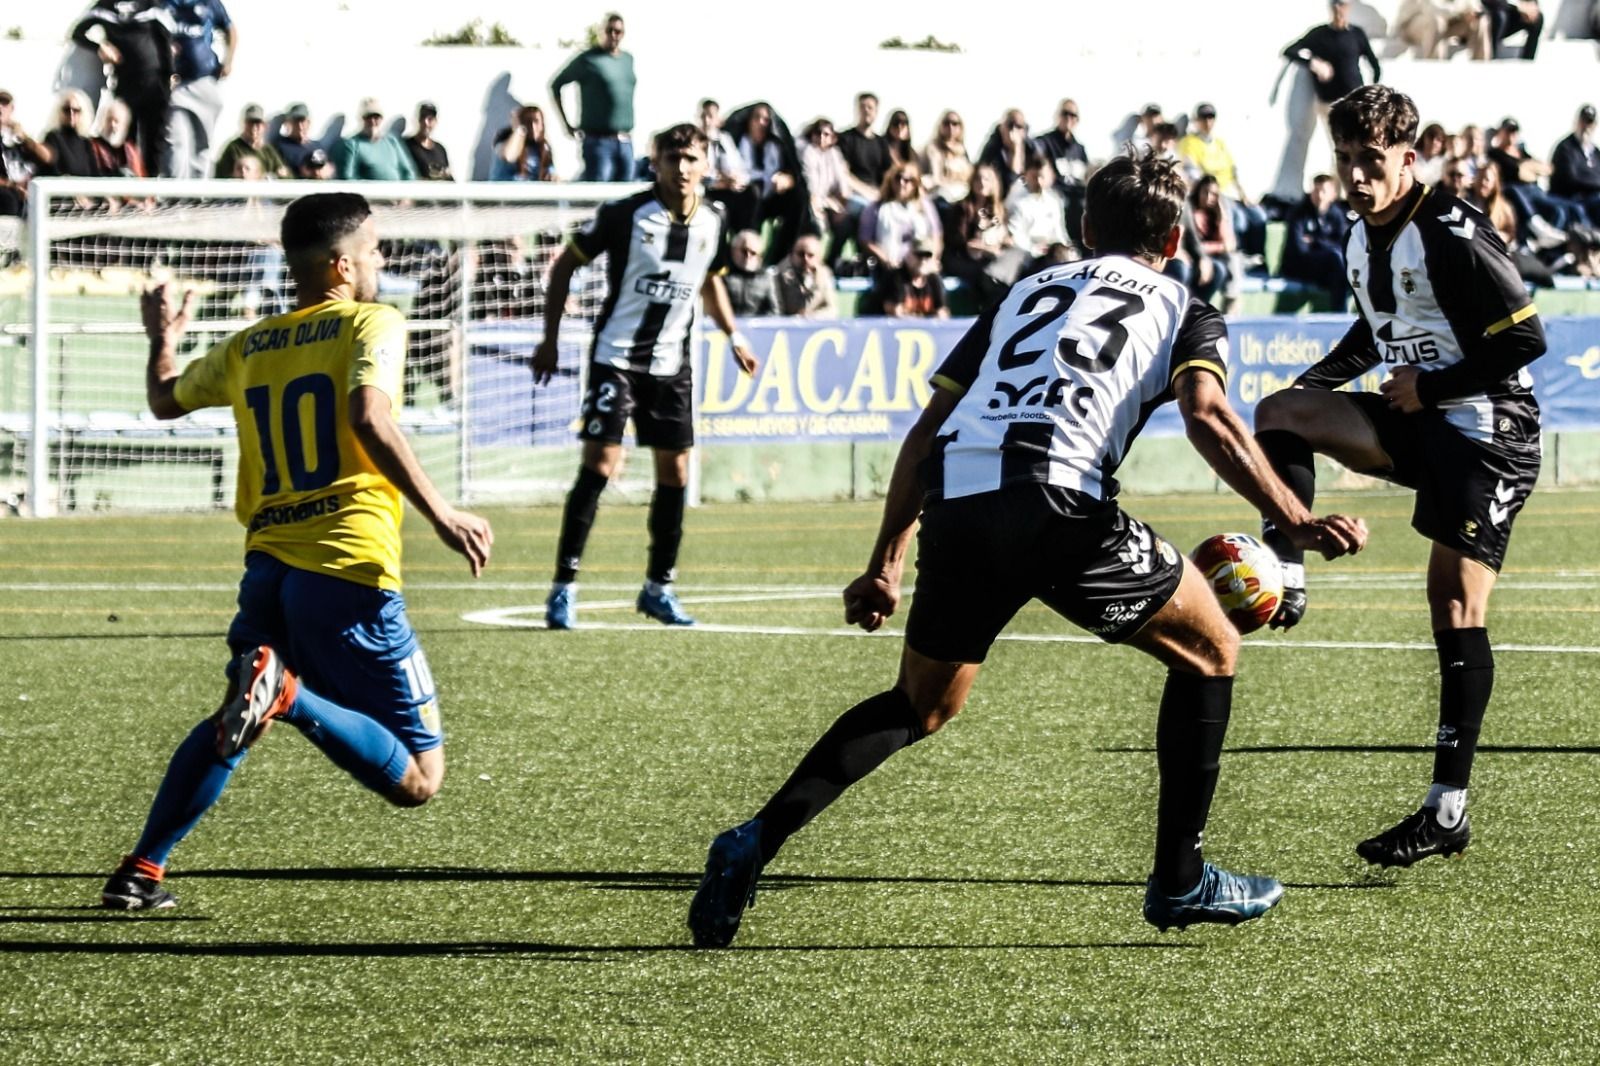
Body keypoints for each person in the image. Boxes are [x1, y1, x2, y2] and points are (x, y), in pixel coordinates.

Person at [686, 148, 1368, 949]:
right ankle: (1181, 881)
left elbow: (928, 431)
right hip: (1060, 504)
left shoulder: (1023, 293)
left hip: (962, 502)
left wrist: (887, 560)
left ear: (1084, 229)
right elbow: (1209, 416)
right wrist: (1292, 517)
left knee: (921, 705)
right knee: (1214, 648)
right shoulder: (1183, 303)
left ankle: (752, 841)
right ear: (1176, 239)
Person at [99, 192, 494, 910]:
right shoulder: (373, 321)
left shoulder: (250, 345)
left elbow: (163, 400)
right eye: (374, 250)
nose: (380, 262)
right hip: (346, 570)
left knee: (233, 716)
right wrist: (442, 513)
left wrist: (163, 334)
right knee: (419, 779)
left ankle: (144, 867)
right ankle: (289, 693)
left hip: (269, 572)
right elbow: (368, 417)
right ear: (341, 266)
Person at [1252, 85, 1545, 869]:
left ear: (1409, 159)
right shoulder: (1359, 236)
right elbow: (1371, 331)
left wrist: (1433, 389)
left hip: (1489, 436)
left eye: (1370, 162)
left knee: (1451, 604)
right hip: (1421, 421)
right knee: (1282, 411)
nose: (1355, 176)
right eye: (1344, 160)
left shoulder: (1452, 231)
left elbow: (1526, 341)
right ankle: (1287, 562)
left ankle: (1447, 809)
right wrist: (1318, 383)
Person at [531, 124, 759, 630]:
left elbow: (710, 284)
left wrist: (734, 336)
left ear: (706, 165)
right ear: (654, 162)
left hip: (672, 365)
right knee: (602, 463)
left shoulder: (714, 221)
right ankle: (563, 587)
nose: (682, 167)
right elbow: (564, 266)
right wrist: (549, 339)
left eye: (691, 158)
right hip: (617, 357)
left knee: (676, 475)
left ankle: (659, 588)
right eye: (672, 157)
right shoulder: (625, 214)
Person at [1273, 0, 1381, 202]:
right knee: (1340, 147)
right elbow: (1290, 50)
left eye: (1343, 5)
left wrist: (1372, 95)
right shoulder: (1320, 34)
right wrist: (1313, 63)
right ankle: (1339, 195)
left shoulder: (1356, 34)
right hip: (1330, 104)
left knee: (1357, 146)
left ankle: (1348, 192)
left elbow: (1374, 64)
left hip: (1355, 105)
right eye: (1335, 5)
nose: (1339, 9)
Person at [72, 0, 175, 178]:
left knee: (155, 139)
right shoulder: (105, 5)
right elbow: (77, 33)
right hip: (126, 83)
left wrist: (170, 74)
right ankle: (129, 189)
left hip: (155, 82)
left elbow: (165, 38)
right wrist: (101, 46)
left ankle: (152, 189)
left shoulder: (150, 4)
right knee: (126, 137)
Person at [550, 12, 636, 181]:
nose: (613, 35)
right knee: (598, 192)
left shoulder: (628, 59)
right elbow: (556, 85)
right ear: (601, 32)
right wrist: (566, 124)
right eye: (609, 30)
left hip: (625, 140)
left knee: (626, 195)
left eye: (618, 31)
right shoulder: (588, 59)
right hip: (598, 142)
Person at [1178, 103, 1266, 259]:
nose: (1208, 122)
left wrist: (1244, 194)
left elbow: (1233, 170)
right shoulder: (1189, 143)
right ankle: (1238, 255)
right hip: (1213, 193)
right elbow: (1194, 174)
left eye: (1211, 118)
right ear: (1196, 120)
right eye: (1203, 118)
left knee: (1259, 216)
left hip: (1230, 192)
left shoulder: (1219, 143)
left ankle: (1258, 257)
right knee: (1239, 220)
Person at [161, 0, 237, 178]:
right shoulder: (163, 4)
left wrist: (229, 61)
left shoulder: (210, 3)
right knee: (175, 138)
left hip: (203, 80)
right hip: (175, 83)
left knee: (202, 142)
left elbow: (230, 29)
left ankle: (197, 195)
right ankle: (174, 194)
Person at [1279, 173, 1350, 310]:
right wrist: (1327, 246)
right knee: (1335, 260)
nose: (1319, 196)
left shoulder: (1336, 215)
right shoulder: (1299, 213)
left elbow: (1343, 243)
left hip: (1325, 267)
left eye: (1323, 191)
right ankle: (1340, 315)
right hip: (1299, 266)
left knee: (1340, 267)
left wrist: (1316, 242)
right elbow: (1299, 248)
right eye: (1316, 191)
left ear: (1333, 195)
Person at [1037, 99, 1088, 244]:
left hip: (1077, 199)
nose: (1068, 118)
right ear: (1057, 116)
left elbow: (1085, 178)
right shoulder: (1045, 142)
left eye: (1073, 115)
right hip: (1055, 195)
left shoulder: (1080, 149)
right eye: (1065, 114)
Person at [336, 98, 416, 181]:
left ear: (381, 119)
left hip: (397, 192)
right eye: (368, 117)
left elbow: (408, 172)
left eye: (376, 117)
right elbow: (348, 177)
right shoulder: (352, 144)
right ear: (361, 119)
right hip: (370, 193)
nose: (372, 121)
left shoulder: (392, 141)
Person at [1549, 104, 1600, 227]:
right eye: (1583, 122)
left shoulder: (1595, 152)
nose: (1586, 127)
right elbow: (1571, 180)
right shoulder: (1565, 148)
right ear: (1577, 122)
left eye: (1589, 123)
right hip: (1572, 198)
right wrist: (1597, 184)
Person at [214, 104, 289, 179]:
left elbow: (284, 175)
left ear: (264, 126)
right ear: (244, 125)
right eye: (250, 123)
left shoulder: (269, 151)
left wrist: (282, 175)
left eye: (257, 123)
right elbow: (221, 176)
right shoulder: (233, 149)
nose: (254, 128)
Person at [1394, 0, 1489, 59]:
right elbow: (1432, 10)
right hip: (1412, 24)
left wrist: (1473, 13)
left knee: (1480, 22)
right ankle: (1434, 66)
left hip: (1448, 21)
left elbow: (1475, 6)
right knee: (1436, 22)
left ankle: (1481, 66)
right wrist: (1461, 13)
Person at [878, 240, 948, 319]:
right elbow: (895, 312)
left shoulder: (934, 279)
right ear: (908, 256)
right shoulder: (896, 277)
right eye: (919, 255)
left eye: (927, 256)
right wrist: (925, 320)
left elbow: (942, 313)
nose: (923, 260)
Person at [772, 234, 838, 318]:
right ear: (792, 254)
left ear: (818, 257)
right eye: (801, 254)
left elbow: (832, 309)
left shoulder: (824, 275)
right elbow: (775, 309)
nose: (805, 259)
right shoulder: (779, 274)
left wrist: (811, 316)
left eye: (810, 255)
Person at [920, 110, 973, 206]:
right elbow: (935, 177)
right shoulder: (933, 149)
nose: (950, 127)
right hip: (941, 196)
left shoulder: (962, 151)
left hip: (962, 196)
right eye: (946, 123)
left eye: (955, 124)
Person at [491, 104, 556, 181]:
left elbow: (551, 173)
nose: (532, 126)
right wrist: (519, 129)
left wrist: (552, 178)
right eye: (528, 122)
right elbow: (509, 156)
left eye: (536, 121)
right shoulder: (504, 138)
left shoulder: (544, 148)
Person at [725, 229, 778, 315]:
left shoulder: (766, 278)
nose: (748, 256)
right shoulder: (721, 275)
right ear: (733, 251)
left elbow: (774, 311)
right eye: (744, 251)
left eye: (753, 253)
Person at [405, 102, 452, 181]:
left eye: (430, 119)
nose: (426, 123)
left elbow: (450, 179)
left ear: (435, 122)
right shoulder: (407, 146)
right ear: (418, 120)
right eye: (423, 118)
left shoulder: (440, 149)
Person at [272, 103, 318, 175]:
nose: (300, 126)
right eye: (296, 122)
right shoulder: (280, 146)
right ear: (288, 123)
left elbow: (330, 169)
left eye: (302, 121)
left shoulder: (317, 146)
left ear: (308, 123)